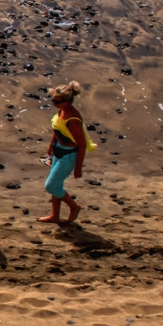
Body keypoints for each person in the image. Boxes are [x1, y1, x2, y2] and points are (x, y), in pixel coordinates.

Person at [38, 81, 93, 224]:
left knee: (51, 186)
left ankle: (74, 207)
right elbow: (58, 129)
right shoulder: (61, 111)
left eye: (57, 101)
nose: (54, 104)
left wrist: (78, 168)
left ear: (68, 102)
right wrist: (51, 146)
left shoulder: (73, 119)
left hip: (69, 156)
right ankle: (55, 215)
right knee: (57, 185)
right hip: (58, 151)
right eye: (53, 100)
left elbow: (82, 145)